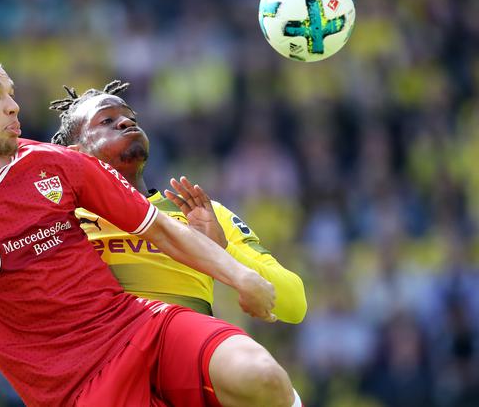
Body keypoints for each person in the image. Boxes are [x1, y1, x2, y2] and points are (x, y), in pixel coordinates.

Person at [0, 52, 300, 407]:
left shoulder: (56, 164)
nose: (13, 107)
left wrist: (241, 277)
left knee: (261, 376)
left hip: (138, 327)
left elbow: (159, 228)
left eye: (12, 93)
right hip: (73, 389)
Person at [49, 81, 307, 322]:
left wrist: (223, 248)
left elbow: (295, 305)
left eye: (131, 117)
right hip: (107, 359)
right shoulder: (64, 222)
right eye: (107, 120)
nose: (127, 121)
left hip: (187, 359)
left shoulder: (204, 215)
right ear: (76, 154)